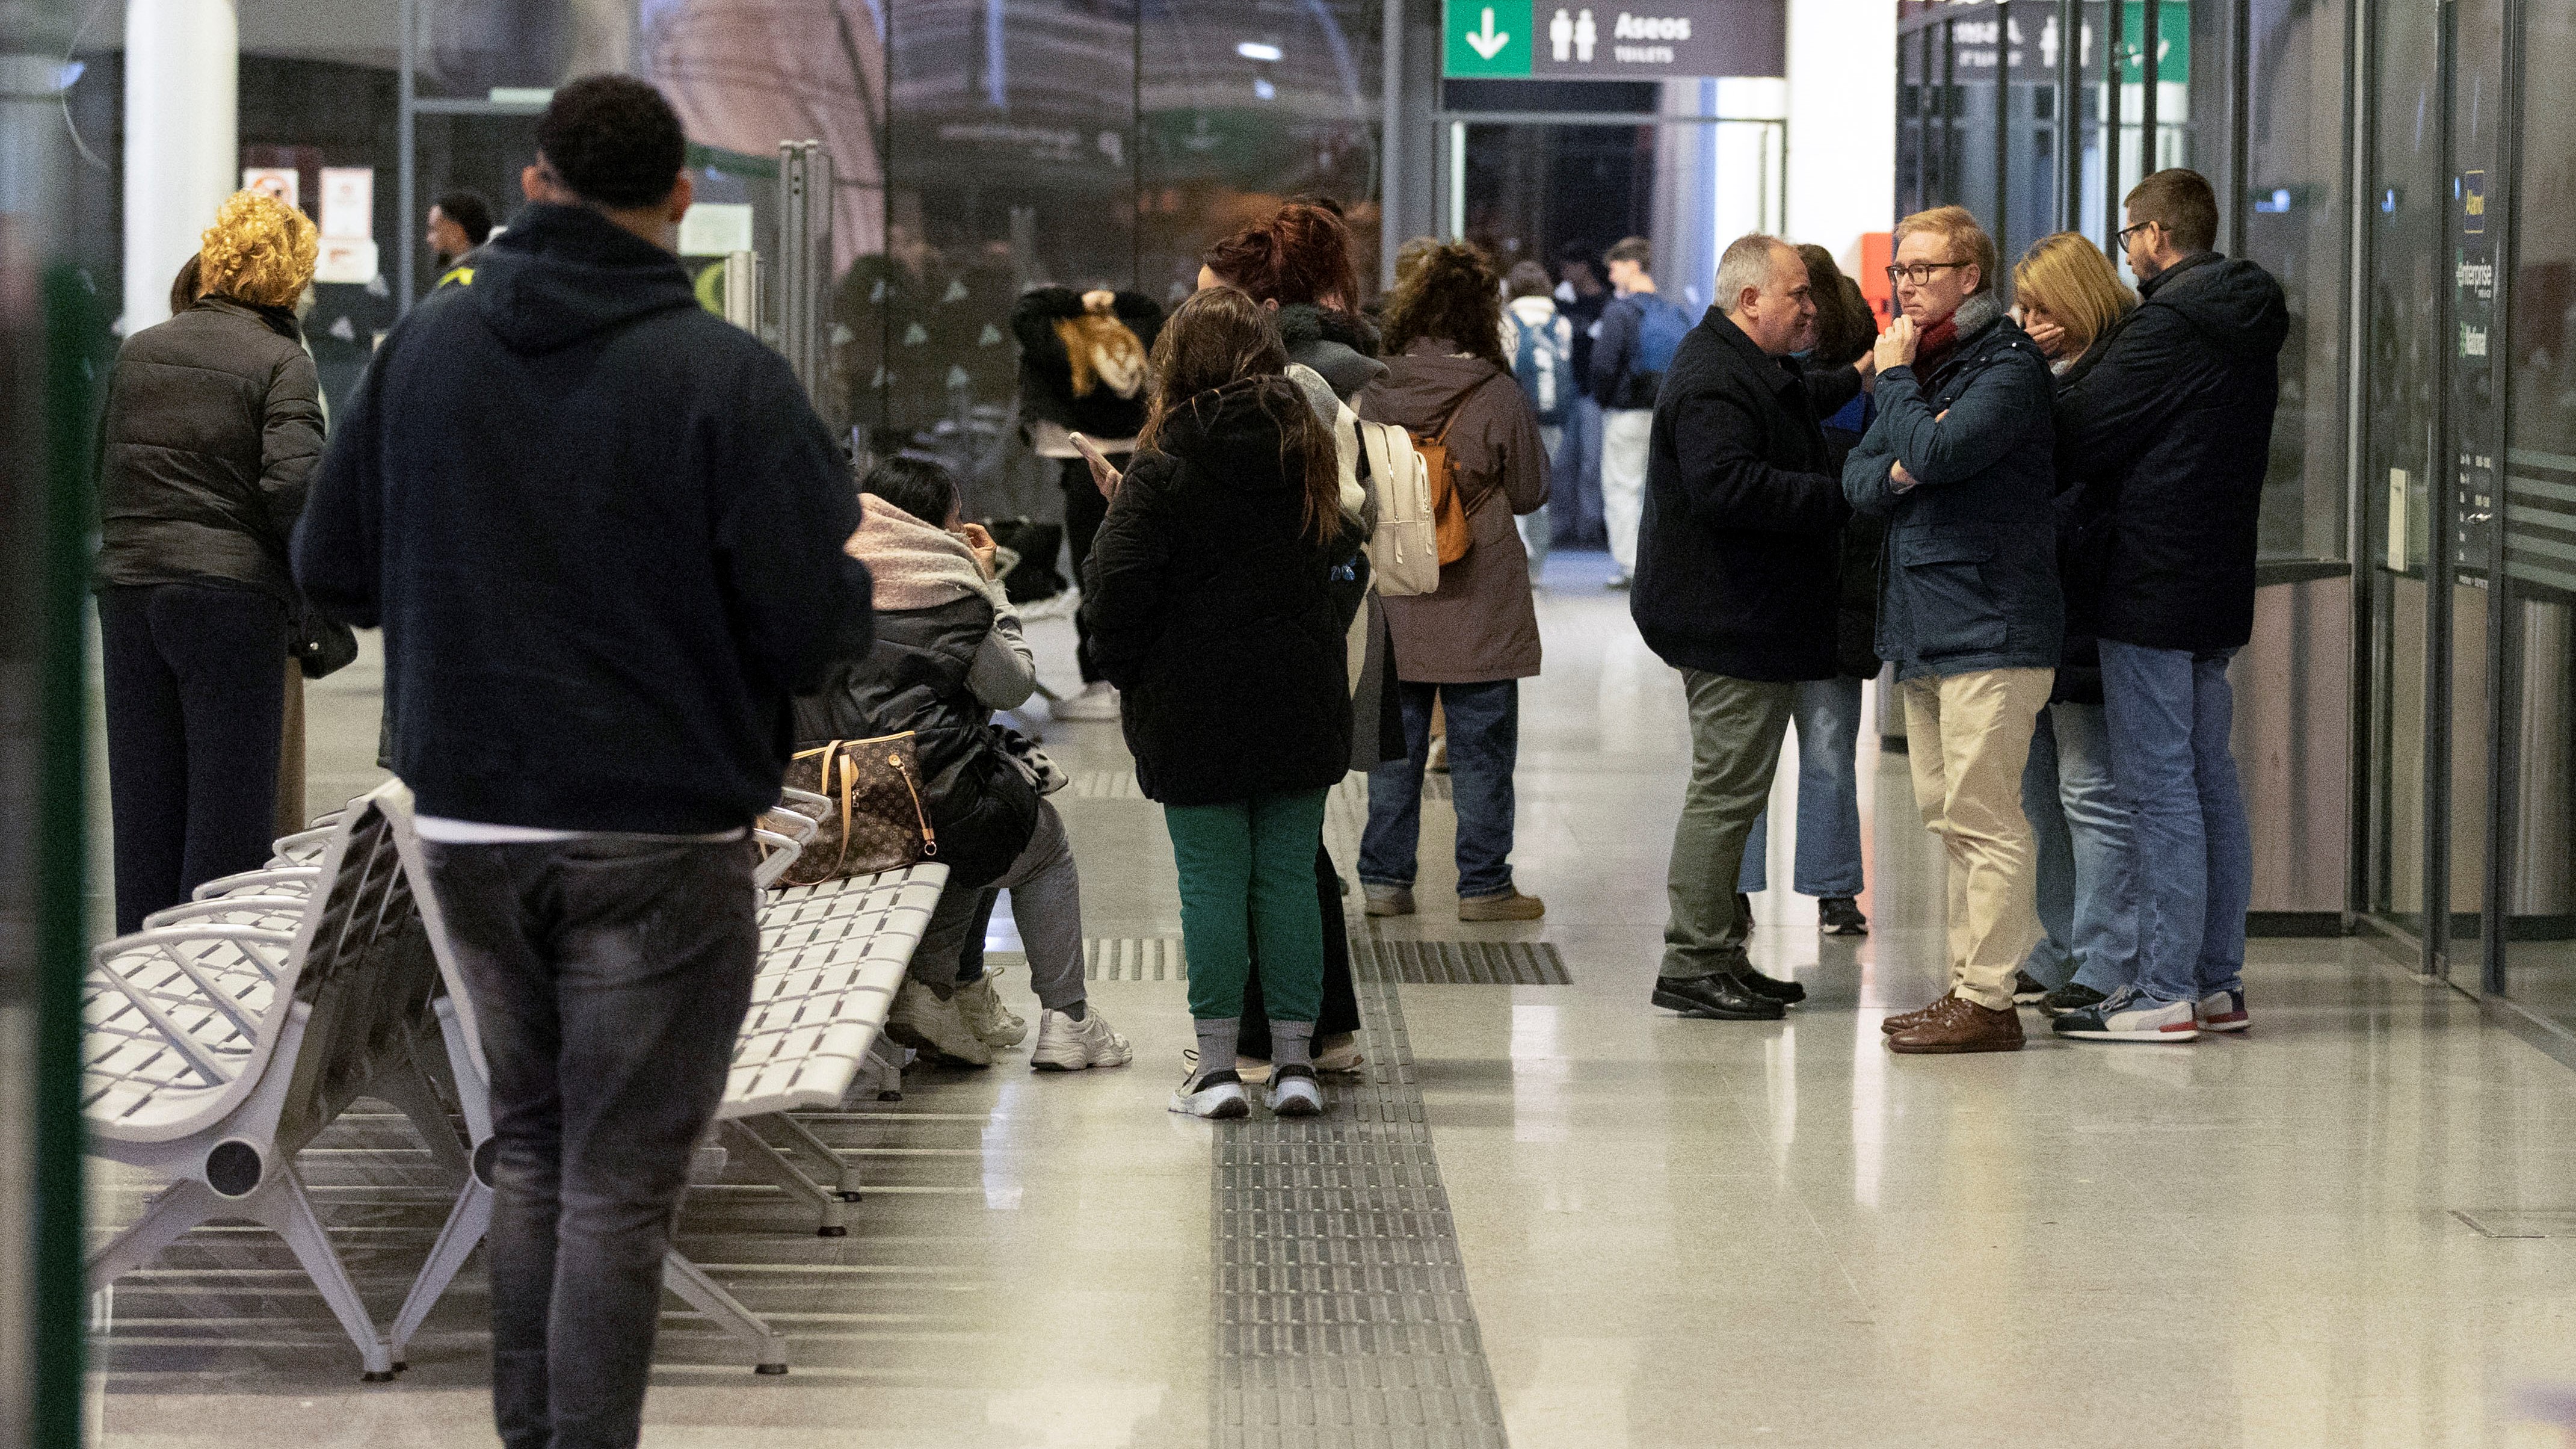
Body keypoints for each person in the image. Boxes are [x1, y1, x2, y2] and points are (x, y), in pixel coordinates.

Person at [292, 76, 873, 1449]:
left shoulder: (424, 352)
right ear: (679, 201)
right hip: (660, 840)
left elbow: (326, 567)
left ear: (540, 181)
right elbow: (814, 627)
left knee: (538, 1152)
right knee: (620, 1179)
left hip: (475, 827)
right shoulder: (727, 380)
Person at [1082, 286, 1357, 1120]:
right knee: (1286, 882)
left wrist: (1134, 674)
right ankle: (1297, 1067)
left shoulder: (1160, 466)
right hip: (1298, 702)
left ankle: (1214, 1074)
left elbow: (1114, 594)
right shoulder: (1306, 452)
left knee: (1209, 885)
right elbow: (1337, 559)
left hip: (1194, 707)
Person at [2045, 169, 2288, 1043]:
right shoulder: (2247, 319)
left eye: (2125, 238)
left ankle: (2160, 994)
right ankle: (2216, 982)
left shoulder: (2167, 326)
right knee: (2207, 782)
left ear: (2152, 234)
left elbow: (2077, 432)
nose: (2127, 253)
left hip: (2148, 583)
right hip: (2216, 579)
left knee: (2158, 790)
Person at [800, 456, 1132, 1072]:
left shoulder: (818, 576)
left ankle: (958, 994)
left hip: (820, 806)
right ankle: (1066, 1018)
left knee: (986, 807)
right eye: (956, 518)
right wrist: (989, 586)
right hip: (917, 801)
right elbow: (1014, 685)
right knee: (1036, 836)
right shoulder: (949, 589)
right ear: (931, 526)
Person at [1844, 204, 2062, 1055]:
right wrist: (1906, 451)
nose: (1905, 284)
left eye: (1923, 270)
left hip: (1992, 625)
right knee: (1944, 813)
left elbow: (1937, 458)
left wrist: (1895, 390)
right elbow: (1857, 478)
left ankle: (1988, 997)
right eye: (1900, 270)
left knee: (1984, 815)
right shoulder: (1932, 367)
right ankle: (1968, 987)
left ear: (1970, 277)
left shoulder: (2003, 368)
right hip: (1927, 626)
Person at [1633, 235, 1862, 1020]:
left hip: (1746, 615)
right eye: (1797, 293)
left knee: (1732, 788)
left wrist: (1864, 376)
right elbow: (1725, 487)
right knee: (1725, 794)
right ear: (1749, 301)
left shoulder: (1747, 366)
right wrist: (1841, 496)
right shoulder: (1712, 378)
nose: (1810, 306)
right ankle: (1693, 960)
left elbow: (1800, 400)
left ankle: (1719, 950)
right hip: (1726, 617)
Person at [1195, 201, 1391, 1078]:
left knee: (1261, 843)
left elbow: (1297, 522)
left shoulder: (1289, 385)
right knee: (1290, 837)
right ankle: (1321, 1028)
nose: (1194, 321)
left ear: (1261, 311)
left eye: (1213, 304)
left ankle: (1269, 1037)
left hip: (1281, 631)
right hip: (1317, 622)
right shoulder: (1329, 369)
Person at [94, 191, 324, 936]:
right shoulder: (281, 361)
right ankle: (212, 1011)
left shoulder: (142, 349)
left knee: (144, 815)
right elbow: (294, 486)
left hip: (131, 592)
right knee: (226, 824)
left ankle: (142, 997)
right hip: (229, 600)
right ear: (291, 277)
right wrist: (320, 586)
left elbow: (103, 467)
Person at [1356, 241, 1552, 922]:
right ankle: (1483, 886)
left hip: (1395, 584)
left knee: (1393, 750)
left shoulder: (1374, 385)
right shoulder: (1495, 392)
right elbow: (1529, 491)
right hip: (1480, 597)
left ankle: (1383, 880)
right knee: (1482, 751)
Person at [1997, 232, 2143, 1018]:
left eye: (2041, 308)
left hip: (2086, 604)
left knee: (2088, 789)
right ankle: (2057, 949)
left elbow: (2072, 487)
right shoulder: (2048, 373)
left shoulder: (2110, 379)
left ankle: (2102, 958)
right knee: (2039, 793)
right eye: (2022, 310)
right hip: (2043, 608)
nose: (2030, 323)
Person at [1737, 244, 1884, 938]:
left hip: (1770, 595)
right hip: (1835, 594)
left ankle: (1734, 887)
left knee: (1745, 756)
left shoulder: (1762, 383)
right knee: (1829, 750)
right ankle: (1832, 893)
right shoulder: (1866, 389)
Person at [1009, 280, 1162, 721]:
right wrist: (1111, 299)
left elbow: (1026, 311)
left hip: (1085, 462)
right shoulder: (1133, 345)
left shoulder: (1063, 345)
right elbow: (1150, 307)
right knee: (1141, 567)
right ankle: (1136, 675)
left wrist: (1076, 301)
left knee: (1093, 570)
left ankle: (1099, 679)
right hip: (1138, 455)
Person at [1590, 236, 1692, 589]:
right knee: (1659, 489)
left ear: (1633, 265)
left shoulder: (1620, 312)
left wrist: (1603, 400)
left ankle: (1630, 567)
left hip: (1626, 414)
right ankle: (1662, 563)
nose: (1611, 273)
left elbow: (1604, 366)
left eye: (1615, 267)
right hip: (1667, 416)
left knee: (1622, 488)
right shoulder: (1676, 312)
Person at [1501, 259, 1576, 580]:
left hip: (1515, 417)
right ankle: (1538, 565)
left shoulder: (1506, 322)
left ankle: (1516, 559)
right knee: (1540, 487)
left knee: (1510, 487)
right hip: (1552, 419)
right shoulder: (1561, 324)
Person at [1553, 245, 1610, 548]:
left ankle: (1590, 526)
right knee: (1563, 462)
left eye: (1568, 267)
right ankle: (1562, 525)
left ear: (1583, 266)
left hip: (1591, 392)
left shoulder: (1604, 303)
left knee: (1591, 462)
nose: (1565, 275)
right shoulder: (1562, 302)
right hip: (1567, 391)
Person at [428, 190, 495, 287]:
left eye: (434, 230)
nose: (429, 239)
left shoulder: (463, 285)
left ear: (457, 233)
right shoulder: (493, 274)